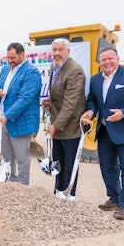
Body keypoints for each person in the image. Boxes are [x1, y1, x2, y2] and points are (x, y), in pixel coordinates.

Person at [81, 47, 124, 220]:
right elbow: (93, 101)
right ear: (100, 62)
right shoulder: (95, 80)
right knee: (107, 168)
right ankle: (114, 198)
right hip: (104, 132)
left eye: (110, 58)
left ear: (118, 58)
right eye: (103, 59)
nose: (107, 62)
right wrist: (90, 112)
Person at [0, 42, 42, 185]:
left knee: (22, 158)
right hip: (3, 120)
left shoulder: (31, 72)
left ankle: (23, 187)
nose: (10, 60)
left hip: (20, 122)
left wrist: (7, 116)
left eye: (13, 57)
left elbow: (25, 99)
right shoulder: (5, 70)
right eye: (8, 57)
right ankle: (9, 184)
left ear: (22, 54)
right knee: (7, 156)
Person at [42, 38, 86, 200]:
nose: (57, 53)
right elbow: (59, 96)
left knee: (70, 164)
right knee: (58, 162)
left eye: (60, 50)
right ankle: (58, 192)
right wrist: (50, 102)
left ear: (68, 51)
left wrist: (54, 126)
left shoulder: (74, 70)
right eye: (54, 50)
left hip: (71, 126)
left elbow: (70, 105)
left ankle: (70, 194)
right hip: (58, 124)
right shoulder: (56, 67)